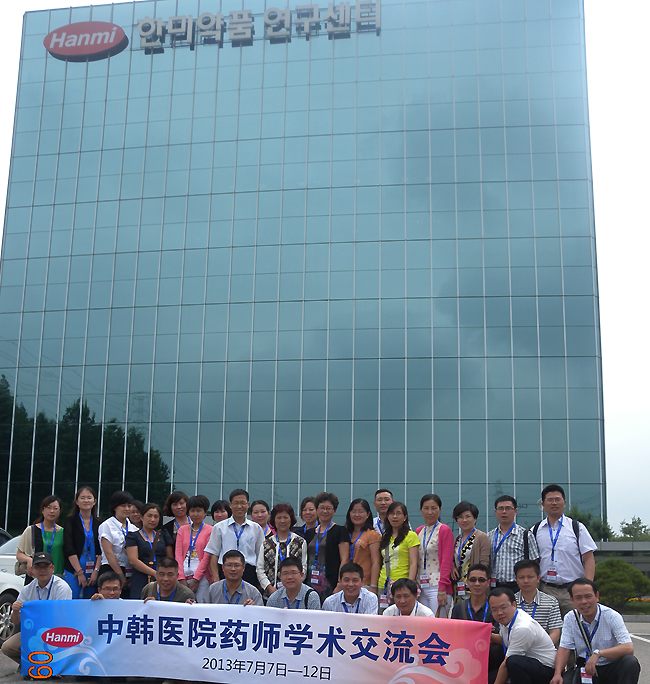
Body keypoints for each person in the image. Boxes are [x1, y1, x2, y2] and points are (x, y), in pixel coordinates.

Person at [551, 578, 640, 684]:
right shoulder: (570, 618)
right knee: (564, 681)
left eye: (588, 596)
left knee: (630, 662)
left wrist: (598, 654)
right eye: (578, 598)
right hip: (585, 668)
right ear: (572, 600)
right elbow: (564, 648)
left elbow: (628, 648)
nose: (584, 602)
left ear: (597, 596)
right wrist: (557, 674)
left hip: (610, 666)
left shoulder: (612, 616)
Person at [533, 484, 597, 616]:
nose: (554, 503)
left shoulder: (577, 527)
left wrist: (588, 586)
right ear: (543, 504)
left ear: (564, 503)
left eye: (558, 499)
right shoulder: (536, 530)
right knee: (546, 627)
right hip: (546, 589)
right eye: (550, 500)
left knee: (578, 624)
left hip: (573, 590)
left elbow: (589, 558)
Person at [1, 552, 72, 665]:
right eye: (38, 567)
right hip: (33, 632)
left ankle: (53, 665)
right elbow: (15, 621)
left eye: (46, 567)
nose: (42, 570)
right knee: (7, 647)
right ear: (32, 570)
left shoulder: (62, 588)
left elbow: (63, 619)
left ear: (52, 569)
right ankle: (29, 664)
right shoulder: (27, 589)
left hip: (56, 632)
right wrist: (15, 611)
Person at [489, 587, 557, 684]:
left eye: (503, 607)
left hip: (546, 668)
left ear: (514, 605)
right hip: (528, 663)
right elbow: (504, 640)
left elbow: (506, 665)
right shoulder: (508, 617)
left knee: (513, 662)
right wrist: (485, 634)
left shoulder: (523, 627)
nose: (499, 613)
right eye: (494, 609)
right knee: (490, 677)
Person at [451, 564, 504, 684]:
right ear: (467, 582)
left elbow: (502, 637)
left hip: (489, 658)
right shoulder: (459, 607)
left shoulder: (495, 607)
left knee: (496, 650)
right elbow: (453, 635)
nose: (477, 584)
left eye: (481, 580)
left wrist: (484, 634)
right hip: (464, 655)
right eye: (473, 580)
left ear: (488, 582)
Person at [205, 488, 264, 588]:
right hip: (225, 570)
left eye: (243, 503)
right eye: (236, 503)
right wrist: (216, 578)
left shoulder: (256, 528)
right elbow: (214, 555)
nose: (239, 506)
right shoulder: (219, 527)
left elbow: (260, 555)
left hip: (249, 572)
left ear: (248, 505)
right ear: (230, 505)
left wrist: (259, 580)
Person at [305, 492, 350, 601]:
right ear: (317, 509)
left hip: (330, 582)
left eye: (328, 508)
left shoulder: (340, 531)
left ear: (334, 511)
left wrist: (340, 583)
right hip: (310, 580)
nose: (325, 511)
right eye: (322, 508)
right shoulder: (309, 533)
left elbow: (345, 559)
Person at [488, 495, 539, 592]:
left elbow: (534, 562)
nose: (504, 512)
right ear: (495, 512)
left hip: (518, 586)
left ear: (515, 511)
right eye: (500, 509)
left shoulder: (525, 535)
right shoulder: (489, 536)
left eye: (508, 508)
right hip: (495, 586)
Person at [256, 503, 307, 600]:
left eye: (285, 517)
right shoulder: (266, 544)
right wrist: (269, 588)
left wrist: (292, 586)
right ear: (274, 520)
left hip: (294, 594)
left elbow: (303, 568)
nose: (282, 521)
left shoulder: (300, 542)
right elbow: (260, 569)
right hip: (270, 595)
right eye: (279, 518)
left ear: (291, 519)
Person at [377, 501, 420, 611]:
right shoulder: (385, 536)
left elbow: (413, 562)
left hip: (402, 585)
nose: (395, 517)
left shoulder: (411, 536)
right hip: (383, 584)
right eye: (391, 513)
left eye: (398, 513)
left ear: (405, 517)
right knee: (384, 616)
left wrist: (409, 585)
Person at [126, 503, 173, 599]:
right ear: (141, 517)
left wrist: (162, 574)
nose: (153, 519)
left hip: (162, 578)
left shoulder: (164, 535)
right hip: (141, 577)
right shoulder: (133, 536)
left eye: (156, 517)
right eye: (149, 516)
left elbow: (170, 558)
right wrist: (154, 573)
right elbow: (133, 560)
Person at [417, 494, 454, 615]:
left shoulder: (444, 530)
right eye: (426, 508)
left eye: (433, 508)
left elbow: (446, 560)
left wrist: (442, 588)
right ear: (421, 510)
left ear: (440, 509)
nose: (430, 512)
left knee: (437, 622)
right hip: (421, 587)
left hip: (437, 586)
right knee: (422, 622)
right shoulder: (419, 531)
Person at [63, 486, 102, 598]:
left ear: (94, 501)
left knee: (92, 601)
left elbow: (101, 549)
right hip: (74, 570)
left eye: (89, 498)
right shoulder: (70, 521)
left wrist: (96, 571)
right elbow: (69, 547)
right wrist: (79, 572)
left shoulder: (99, 523)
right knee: (72, 599)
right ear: (77, 501)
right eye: (82, 498)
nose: (86, 501)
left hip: (94, 571)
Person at [98, 490, 138, 596]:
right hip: (110, 569)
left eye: (129, 506)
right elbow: (108, 552)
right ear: (115, 507)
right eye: (123, 506)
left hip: (129, 571)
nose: (127, 509)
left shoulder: (134, 528)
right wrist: (120, 575)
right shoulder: (106, 525)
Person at [16, 495, 65, 581]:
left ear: (59, 512)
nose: (52, 511)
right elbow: (19, 554)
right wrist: (28, 559)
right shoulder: (31, 530)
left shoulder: (63, 532)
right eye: (48, 508)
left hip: (57, 577)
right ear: (42, 510)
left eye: (55, 508)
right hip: (35, 577)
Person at [513, 559, 562, 646]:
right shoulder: (510, 602)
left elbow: (555, 632)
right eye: (521, 577)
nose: (526, 581)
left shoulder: (551, 602)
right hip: (517, 648)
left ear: (538, 578)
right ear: (516, 579)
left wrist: (541, 649)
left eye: (530, 577)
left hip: (544, 649)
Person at [176, 495, 213, 602]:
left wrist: (196, 579)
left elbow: (207, 557)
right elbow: (178, 555)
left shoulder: (210, 530)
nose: (195, 514)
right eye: (192, 511)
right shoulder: (182, 530)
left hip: (202, 577)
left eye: (198, 511)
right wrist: (181, 577)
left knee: (201, 604)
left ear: (205, 513)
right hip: (183, 575)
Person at [451, 501, 490, 600]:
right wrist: (453, 567)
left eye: (468, 516)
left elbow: (484, 564)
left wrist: (477, 580)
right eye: (460, 517)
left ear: (475, 518)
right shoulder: (458, 539)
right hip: (459, 587)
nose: (464, 520)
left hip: (474, 587)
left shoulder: (481, 537)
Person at [344, 498, 381, 592]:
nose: (357, 515)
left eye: (360, 511)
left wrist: (373, 586)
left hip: (364, 584)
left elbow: (376, 562)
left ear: (368, 514)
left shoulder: (373, 534)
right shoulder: (345, 534)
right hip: (346, 583)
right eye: (353, 511)